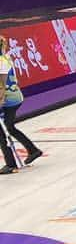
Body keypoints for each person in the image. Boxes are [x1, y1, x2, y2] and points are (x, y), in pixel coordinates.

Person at [0, 37, 42, 174]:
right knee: (10, 127)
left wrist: (0, 101)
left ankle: (11, 164)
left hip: (7, 99)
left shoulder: (1, 62)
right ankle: (33, 150)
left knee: (2, 131)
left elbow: (2, 87)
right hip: (15, 97)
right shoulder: (6, 58)